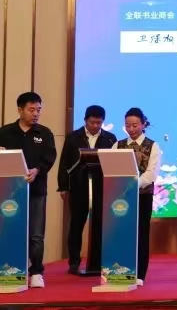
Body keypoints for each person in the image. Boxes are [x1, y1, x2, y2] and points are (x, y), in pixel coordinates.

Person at [0, 91, 56, 289]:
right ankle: (10, 271)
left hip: (36, 190)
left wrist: (37, 170)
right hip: (9, 193)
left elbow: (50, 157)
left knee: (36, 234)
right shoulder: (4, 133)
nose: (36, 114)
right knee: (9, 231)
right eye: (31, 110)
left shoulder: (45, 133)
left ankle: (36, 272)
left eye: (39, 110)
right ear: (20, 110)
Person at [58, 104, 117, 276]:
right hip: (78, 188)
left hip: (101, 189)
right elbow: (64, 163)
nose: (95, 126)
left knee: (99, 225)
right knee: (76, 225)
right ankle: (74, 262)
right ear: (85, 120)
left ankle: (97, 262)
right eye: (92, 122)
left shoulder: (110, 139)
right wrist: (63, 187)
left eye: (99, 123)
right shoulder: (73, 137)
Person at [112, 107, 161, 286]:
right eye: (128, 125)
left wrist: (133, 185)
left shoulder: (152, 145)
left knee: (141, 233)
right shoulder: (117, 145)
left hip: (143, 196)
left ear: (143, 124)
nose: (131, 129)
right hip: (120, 198)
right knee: (121, 233)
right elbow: (110, 168)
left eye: (135, 125)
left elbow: (151, 173)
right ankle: (121, 270)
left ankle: (140, 273)